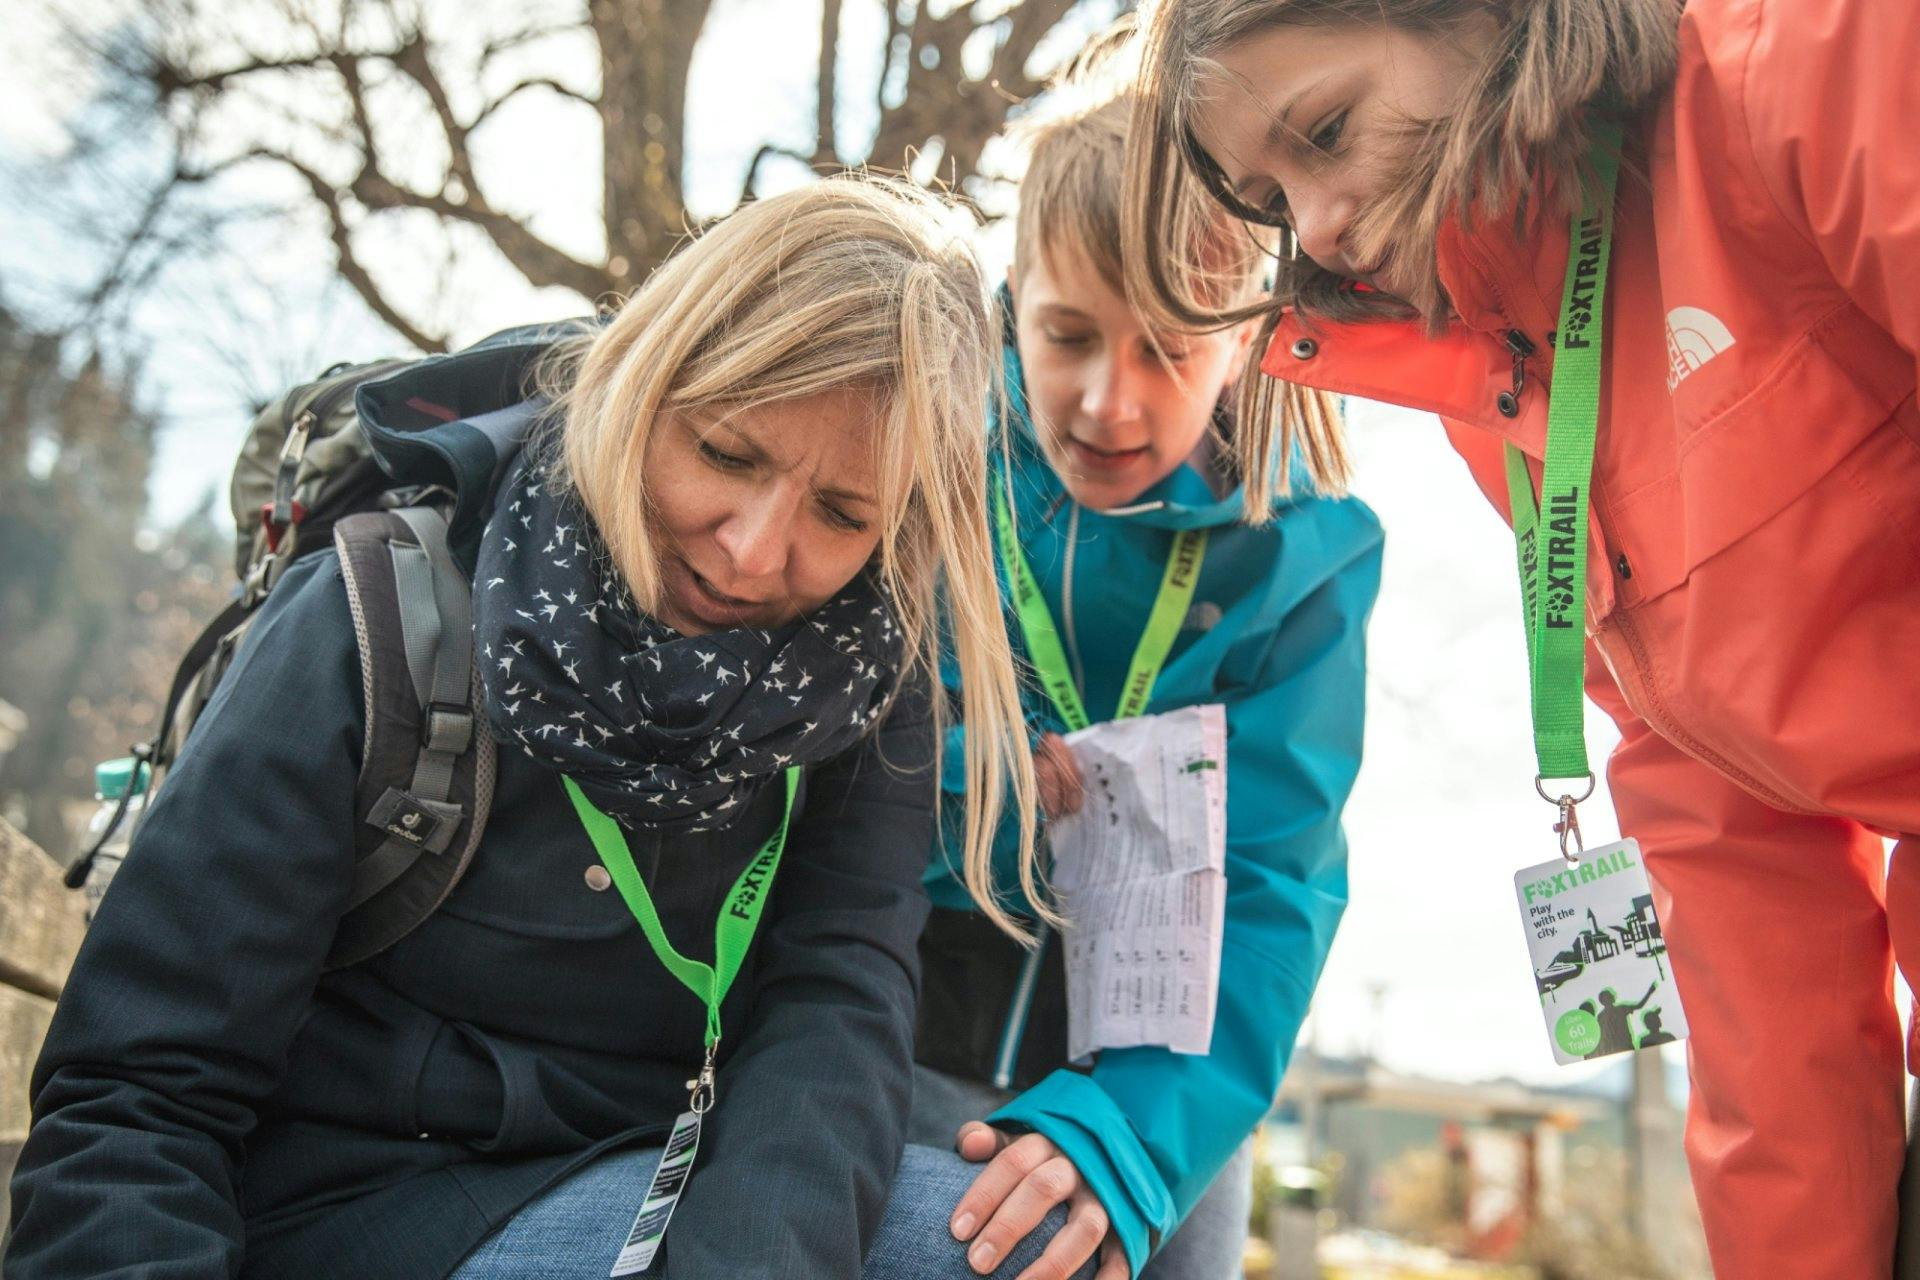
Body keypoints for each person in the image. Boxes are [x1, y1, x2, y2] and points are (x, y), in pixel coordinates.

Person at [3, 176, 1043, 1280]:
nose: (751, 549)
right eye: (728, 455)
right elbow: (138, 1091)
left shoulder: (869, 681)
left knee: (988, 1250)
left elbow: (833, 1010)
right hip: (338, 1207)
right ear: (646, 382)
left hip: (650, 1176)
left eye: (841, 513)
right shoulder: (375, 616)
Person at [1122, 1, 1920, 1276]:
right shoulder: (1503, 384)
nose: (1316, 227)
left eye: (1328, 130)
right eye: (1273, 197)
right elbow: (1730, 829)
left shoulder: (1811, 60)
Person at [868, 89, 1381, 1280]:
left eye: (1169, 346)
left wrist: (1135, 1141)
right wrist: (965, 781)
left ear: (1248, 338)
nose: (1109, 400)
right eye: (1069, 335)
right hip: (896, 1013)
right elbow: (809, 739)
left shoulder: (1306, 559)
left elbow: (1271, 880)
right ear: (1010, 310)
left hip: (1162, 1073)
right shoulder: (915, 462)